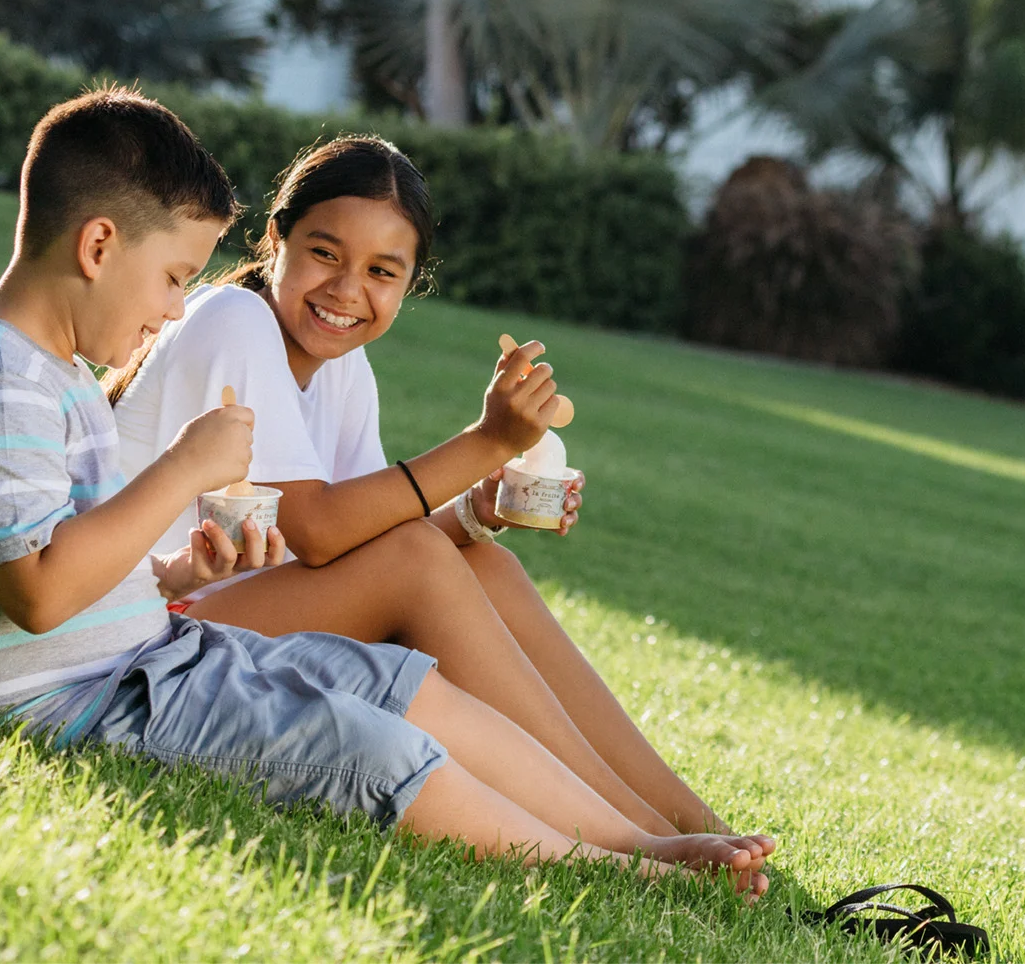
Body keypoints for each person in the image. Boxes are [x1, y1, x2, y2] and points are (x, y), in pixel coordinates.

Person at [0, 88, 769, 895]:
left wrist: (184, 566)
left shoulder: (62, 377)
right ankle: (627, 859)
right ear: (101, 245)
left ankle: (657, 828)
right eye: (175, 277)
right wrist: (481, 442)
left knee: (420, 651)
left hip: (145, 649)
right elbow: (42, 591)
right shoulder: (5, 380)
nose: (178, 306)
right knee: (376, 729)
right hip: (97, 689)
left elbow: (103, 560)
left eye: (383, 272)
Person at [106, 136, 746, 841]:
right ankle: (639, 830)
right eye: (325, 253)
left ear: (410, 284)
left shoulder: (339, 366)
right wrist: (487, 443)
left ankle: (687, 818)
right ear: (275, 238)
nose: (348, 291)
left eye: (382, 271)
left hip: (227, 612)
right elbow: (320, 531)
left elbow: (366, 541)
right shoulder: (236, 321)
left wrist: (477, 510)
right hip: (145, 636)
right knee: (417, 558)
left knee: (483, 562)